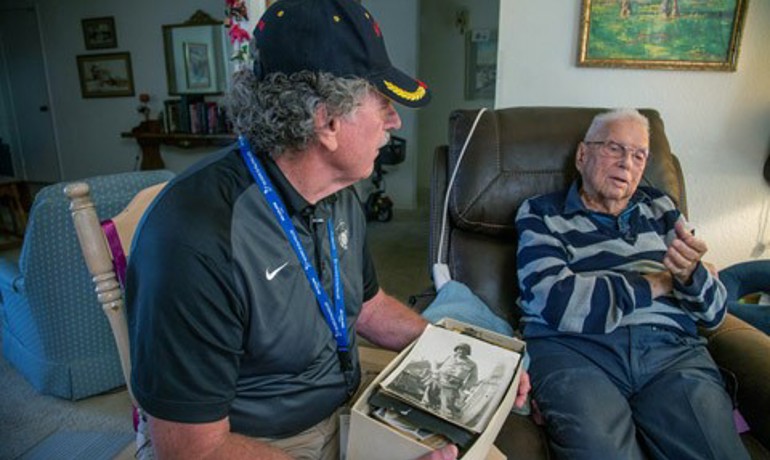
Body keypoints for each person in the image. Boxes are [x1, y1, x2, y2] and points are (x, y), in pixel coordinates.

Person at [125, 0, 529, 459]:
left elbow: (367, 306)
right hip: (254, 444)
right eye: (383, 101)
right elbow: (192, 451)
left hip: (349, 409)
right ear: (328, 121)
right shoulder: (194, 240)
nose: (395, 120)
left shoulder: (337, 192)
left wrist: (474, 360)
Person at [515, 108, 749, 459]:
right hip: (575, 350)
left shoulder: (662, 208)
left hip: (670, 352)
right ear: (583, 154)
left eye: (639, 155)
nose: (627, 163)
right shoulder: (540, 213)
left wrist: (690, 275)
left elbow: (714, 314)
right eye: (614, 148)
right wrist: (659, 281)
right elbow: (556, 302)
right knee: (601, 452)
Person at [434, 343, 478, 419]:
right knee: (429, 392)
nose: (460, 351)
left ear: (467, 352)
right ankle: (426, 405)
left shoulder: (472, 364)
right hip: (439, 379)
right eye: (459, 349)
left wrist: (465, 386)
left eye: (464, 350)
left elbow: (473, 377)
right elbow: (437, 363)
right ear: (456, 350)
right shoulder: (449, 357)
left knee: (447, 405)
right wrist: (436, 371)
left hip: (451, 385)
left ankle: (447, 417)